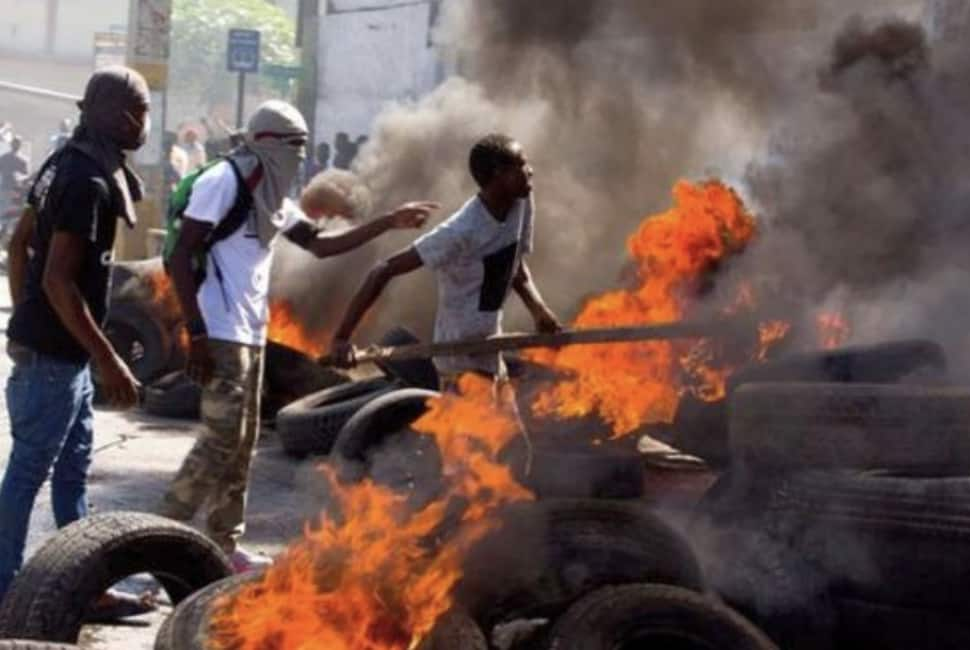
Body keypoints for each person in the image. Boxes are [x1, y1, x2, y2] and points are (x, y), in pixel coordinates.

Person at [157, 100, 438, 572]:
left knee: (242, 444)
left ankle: (225, 546)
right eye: (295, 146)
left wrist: (388, 222)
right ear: (268, 143)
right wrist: (198, 332)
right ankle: (158, 541)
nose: (300, 157)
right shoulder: (222, 182)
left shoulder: (269, 195)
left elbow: (320, 245)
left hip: (249, 333)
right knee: (219, 442)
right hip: (219, 332)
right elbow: (184, 254)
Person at [0, 66, 153, 617]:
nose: (145, 122)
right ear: (117, 115)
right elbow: (56, 278)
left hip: (62, 358)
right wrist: (107, 358)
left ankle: (85, 583)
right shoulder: (86, 181)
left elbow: (19, 247)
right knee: (27, 475)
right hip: (57, 361)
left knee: (71, 471)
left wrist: (27, 322)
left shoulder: (63, 162)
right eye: (141, 110)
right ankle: (3, 592)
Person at [329, 133, 562, 388]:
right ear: (499, 174)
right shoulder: (461, 231)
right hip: (459, 361)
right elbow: (383, 270)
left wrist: (538, 310)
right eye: (522, 165)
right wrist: (342, 337)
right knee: (479, 428)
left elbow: (513, 262)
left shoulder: (521, 201)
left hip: (490, 350)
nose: (530, 171)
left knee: (508, 427)